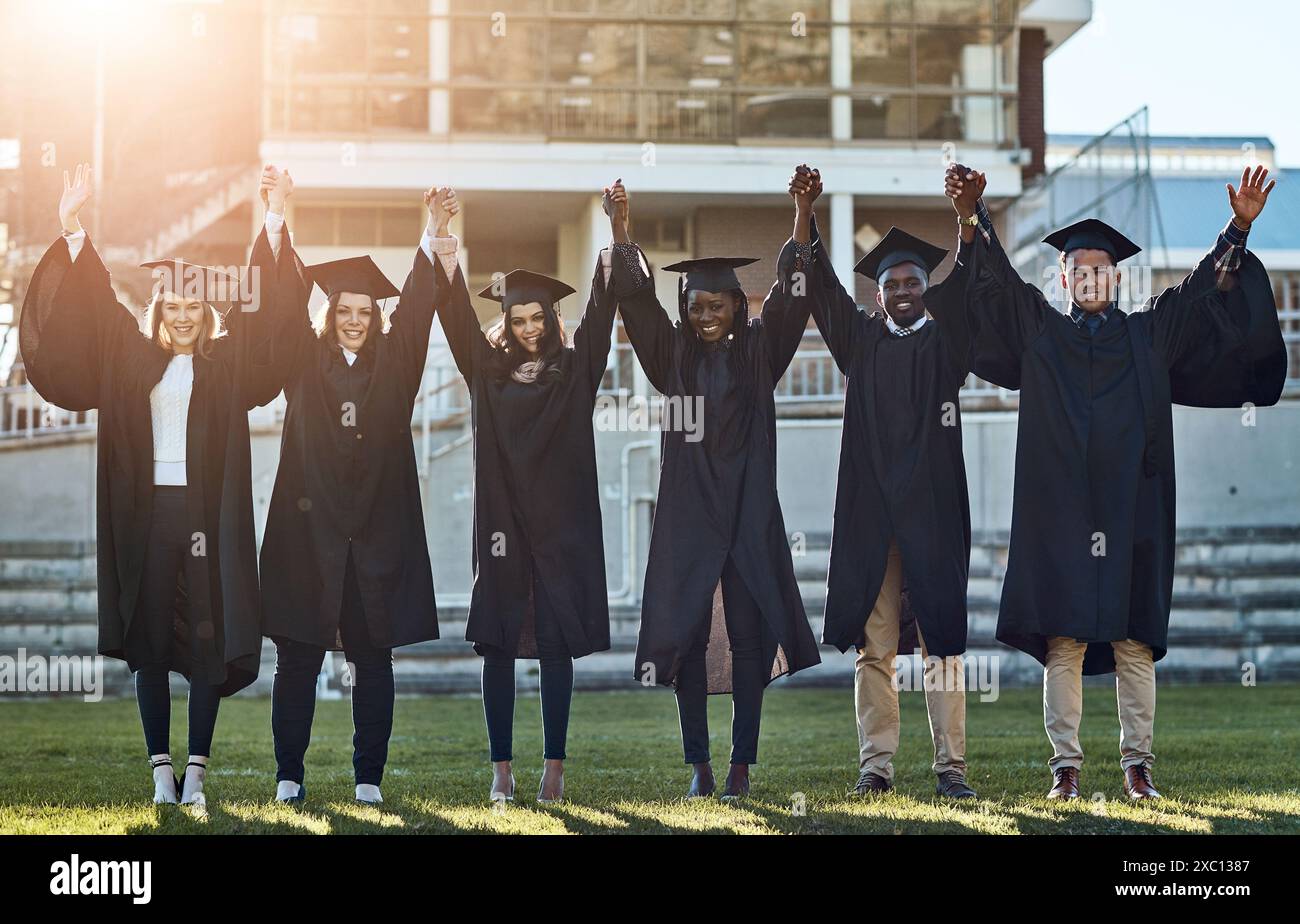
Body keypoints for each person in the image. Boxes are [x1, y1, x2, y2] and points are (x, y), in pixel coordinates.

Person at [947, 163, 1285, 800]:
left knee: (1133, 641)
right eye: (1079, 270)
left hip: (1134, 508)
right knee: (1065, 639)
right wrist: (975, 215)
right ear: (1067, 277)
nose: (1091, 277)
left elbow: (1201, 290)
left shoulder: (1148, 332)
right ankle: (1066, 770)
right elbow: (998, 282)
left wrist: (1237, 226)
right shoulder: (1042, 333)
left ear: (1116, 276)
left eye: (1102, 269)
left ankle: (1137, 766)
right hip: (1062, 514)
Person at [19, 163, 283, 804]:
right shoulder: (132, 354)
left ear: (206, 311)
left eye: (196, 305)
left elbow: (270, 317)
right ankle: (161, 770)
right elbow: (97, 300)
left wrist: (273, 220)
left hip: (204, 515)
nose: (186, 316)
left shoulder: (225, 365)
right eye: (176, 305)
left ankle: (196, 769)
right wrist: (72, 225)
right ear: (161, 307)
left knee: (205, 637)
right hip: (149, 514)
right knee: (151, 638)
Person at [610, 169, 822, 800]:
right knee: (692, 638)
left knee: (751, 636)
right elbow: (637, 303)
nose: (704, 316)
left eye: (717, 305)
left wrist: (802, 210)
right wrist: (621, 227)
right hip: (688, 516)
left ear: (737, 305)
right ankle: (699, 763)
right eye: (695, 306)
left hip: (750, 511)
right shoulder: (672, 359)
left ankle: (741, 765)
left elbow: (794, 296)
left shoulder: (762, 353)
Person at [258, 171, 445, 806]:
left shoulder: (396, 370)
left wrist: (434, 234)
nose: (355, 320)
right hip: (307, 537)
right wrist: (277, 214)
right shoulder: (303, 366)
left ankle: (368, 779)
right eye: (345, 310)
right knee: (298, 660)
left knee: (374, 661)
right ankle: (290, 775)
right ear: (330, 314)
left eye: (365, 312)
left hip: (375, 536)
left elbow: (417, 312)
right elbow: (282, 299)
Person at [430, 184, 619, 804]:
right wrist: (442, 232)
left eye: (538, 318)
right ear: (505, 324)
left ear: (551, 321)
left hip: (561, 525)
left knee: (557, 646)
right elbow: (457, 320)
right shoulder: (485, 376)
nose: (530, 329)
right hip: (504, 524)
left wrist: (618, 229)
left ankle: (555, 768)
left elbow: (602, 310)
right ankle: (502, 769)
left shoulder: (576, 371)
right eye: (518, 320)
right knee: (500, 646)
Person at [806, 169, 977, 799]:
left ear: (925, 288)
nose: (902, 290)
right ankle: (876, 768)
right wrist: (807, 215)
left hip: (932, 514)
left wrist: (966, 218)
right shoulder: (860, 341)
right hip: (872, 518)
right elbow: (821, 289)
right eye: (891, 284)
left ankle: (951, 769)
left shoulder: (948, 343)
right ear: (877, 295)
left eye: (912, 281)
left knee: (943, 645)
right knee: (874, 648)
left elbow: (972, 282)